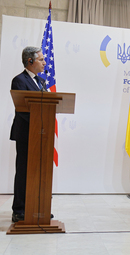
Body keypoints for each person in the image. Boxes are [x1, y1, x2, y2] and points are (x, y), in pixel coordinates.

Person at [10, 46, 46, 222]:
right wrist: (38, 122)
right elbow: (22, 108)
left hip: (41, 134)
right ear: (30, 62)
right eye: (41, 59)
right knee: (24, 171)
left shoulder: (41, 82)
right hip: (26, 133)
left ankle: (37, 208)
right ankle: (19, 210)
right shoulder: (19, 80)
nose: (44, 62)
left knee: (38, 172)